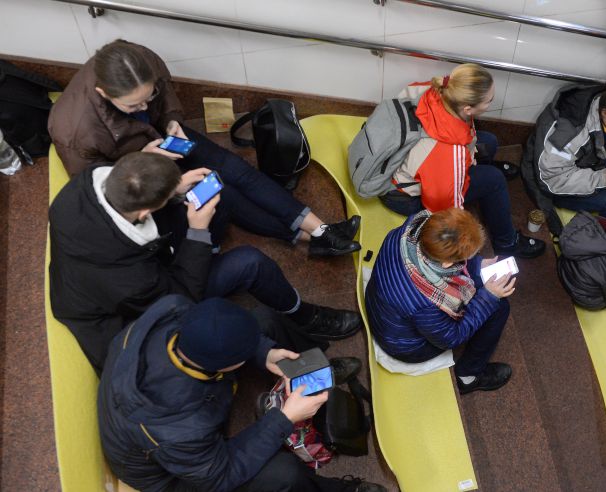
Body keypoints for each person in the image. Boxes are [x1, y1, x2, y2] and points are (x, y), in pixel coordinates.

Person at [49, 152, 362, 372]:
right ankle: (303, 315)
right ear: (143, 213)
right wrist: (197, 232)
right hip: (136, 316)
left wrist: (174, 187)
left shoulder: (90, 184)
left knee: (212, 195)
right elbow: (180, 296)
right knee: (249, 262)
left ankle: (296, 238)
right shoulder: (128, 281)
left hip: (140, 263)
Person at [48, 39, 359, 256]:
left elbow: (165, 93)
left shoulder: (138, 59)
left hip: (167, 136)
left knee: (235, 168)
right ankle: (310, 237)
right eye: (134, 105)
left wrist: (170, 119)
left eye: (148, 96)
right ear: (103, 93)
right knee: (223, 191)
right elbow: (94, 188)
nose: (144, 105)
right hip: (138, 168)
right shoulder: (74, 130)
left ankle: (322, 231)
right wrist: (141, 161)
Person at [98, 295, 385, 492]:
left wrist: (264, 352)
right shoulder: (182, 430)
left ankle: (312, 370)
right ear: (226, 366)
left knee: (263, 320)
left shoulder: (173, 310)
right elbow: (220, 475)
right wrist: (284, 419)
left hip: (186, 422)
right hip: (178, 475)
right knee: (284, 473)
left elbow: (233, 336)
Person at [379, 63, 544, 259]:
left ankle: (483, 177)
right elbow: (447, 213)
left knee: (489, 142)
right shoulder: (448, 153)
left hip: (400, 162)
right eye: (489, 101)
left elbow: (463, 136)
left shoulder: (436, 90)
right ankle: (507, 243)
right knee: (494, 179)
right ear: (467, 108)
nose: (491, 103)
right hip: (405, 197)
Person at [365, 208, 515, 394]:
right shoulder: (425, 304)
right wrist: (488, 298)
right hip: (404, 345)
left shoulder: (406, 231)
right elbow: (451, 337)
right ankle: (468, 376)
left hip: (381, 305)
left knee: (482, 284)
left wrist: (477, 265)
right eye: (465, 258)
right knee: (498, 307)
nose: (468, 260)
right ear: (446, 264)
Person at [525, 78, 606, 222]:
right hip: (559, 185)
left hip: (600, 168)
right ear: (605, 113)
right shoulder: (570, 131)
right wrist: (603, 177)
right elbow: (551, 179)